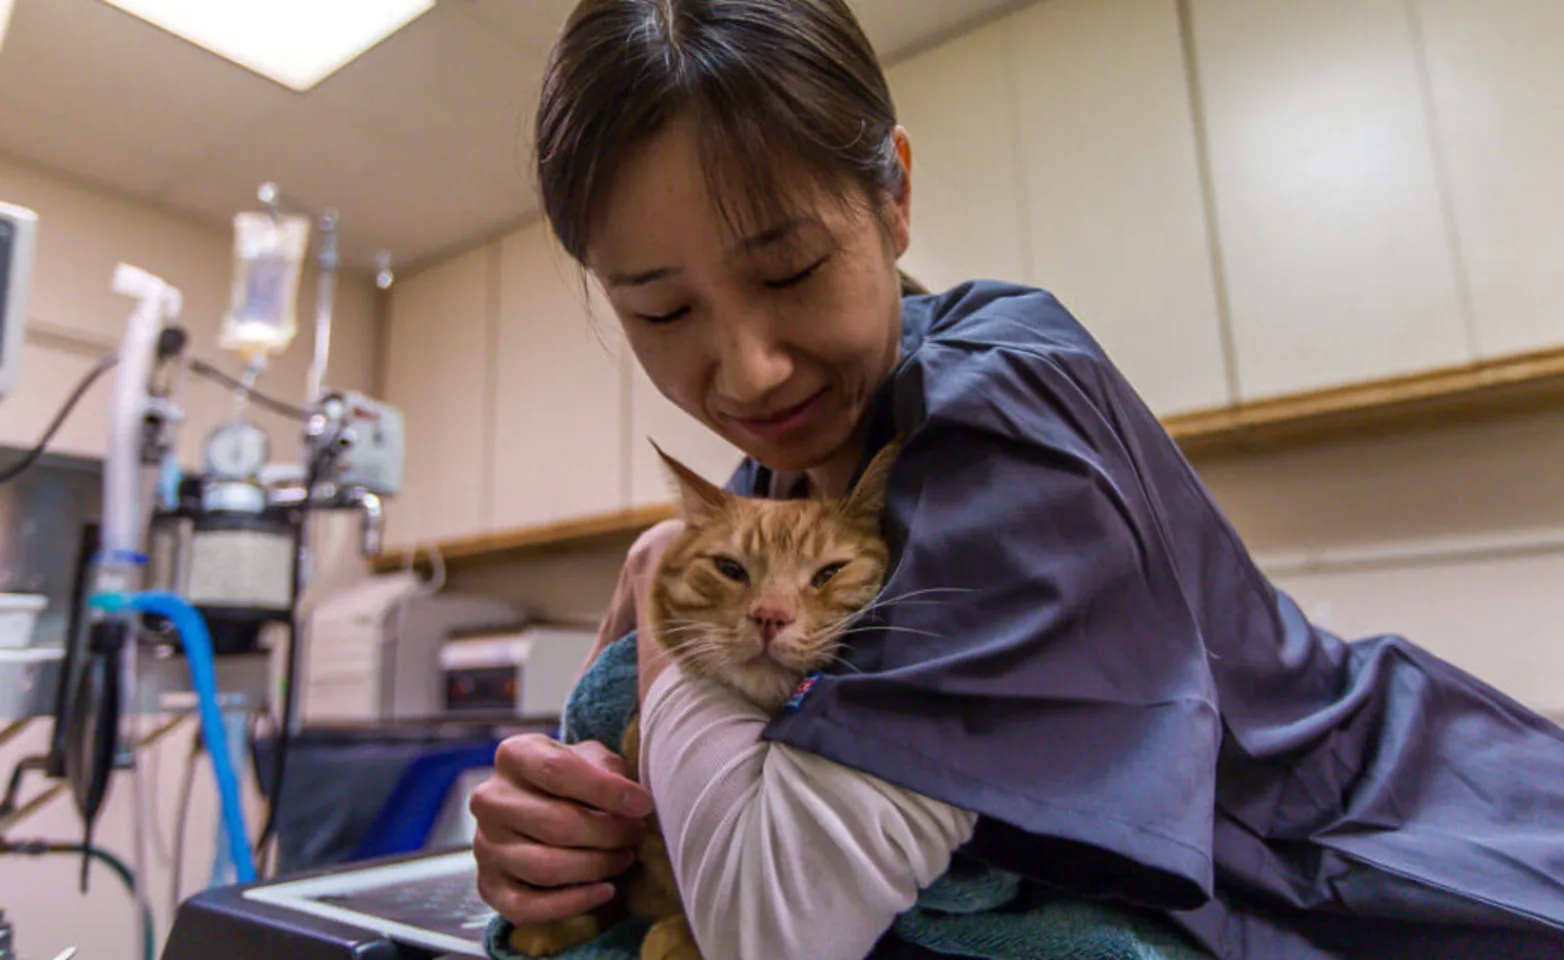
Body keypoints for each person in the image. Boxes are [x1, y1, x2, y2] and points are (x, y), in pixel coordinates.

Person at [468, 1, 1564, 957]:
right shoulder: (796, 467)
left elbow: (772, 926)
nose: (748, 367)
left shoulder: (1000, 424)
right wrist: (571, 822)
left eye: (789, 268)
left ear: (893, 196)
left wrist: (667, 587)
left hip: (1423, 863)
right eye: (662, 312)